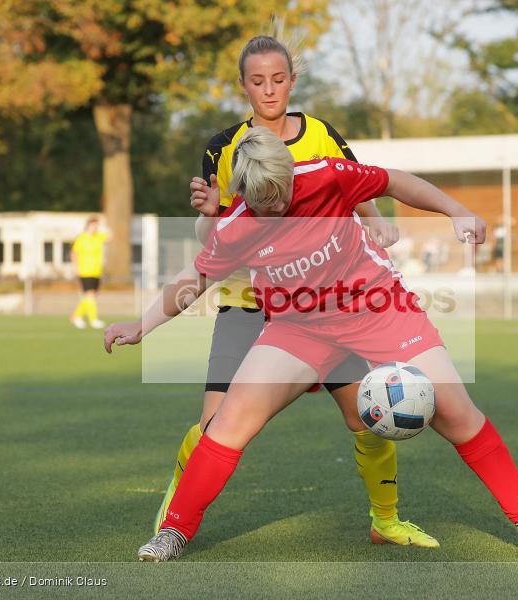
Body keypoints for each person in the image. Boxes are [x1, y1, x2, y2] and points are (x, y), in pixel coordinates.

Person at [106, 127, 518, 562]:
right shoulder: (236, 225)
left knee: (456, 411)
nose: (274, 209)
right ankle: (174, 530)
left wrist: (456, 210)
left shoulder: (327, 176)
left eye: (280, 197)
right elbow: (197, 277)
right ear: (244, 194)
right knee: (230, 420)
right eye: (262, 203)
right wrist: (143, 324)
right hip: (298, 326)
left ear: (290, 174)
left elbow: (395, 181)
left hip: (378, 307)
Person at [151, 35, 437, 548]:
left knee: (367, 414)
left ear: (292, 81)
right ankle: (178, 503)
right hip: (248, 302)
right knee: (216, 423)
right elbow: (216, 237)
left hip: (324, 307)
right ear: (243, 86)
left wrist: (377, 225)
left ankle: (385, 520)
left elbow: (358, 185)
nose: (269, 90)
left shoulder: (322, 134)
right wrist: (209, 211)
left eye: (278, 80)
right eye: (257, 81)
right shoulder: (223, 147)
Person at [70, 216, 110, 329]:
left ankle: (76, 316)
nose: (95, 227)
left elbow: (111, 236)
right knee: (90, 295)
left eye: (97, 225)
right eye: (93, 225)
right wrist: (76, 267)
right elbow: (74, 253)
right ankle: (93, 320)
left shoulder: (99, 237)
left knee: (91, 296)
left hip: (97, 271)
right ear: (87, 226)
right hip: (85, 271)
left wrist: (105, 227)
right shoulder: (81, 238)